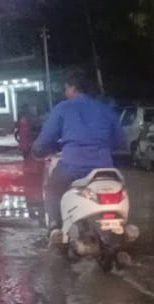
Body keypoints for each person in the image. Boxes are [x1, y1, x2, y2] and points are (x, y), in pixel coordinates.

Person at [32, 70, 126, 246]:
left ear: (73, 88)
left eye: (66, 88)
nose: (65, 92)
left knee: (52, 187)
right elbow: (121, 140)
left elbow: (46, 138)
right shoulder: (105, 109)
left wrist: (37, 149)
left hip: (73, 167)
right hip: (105, 169)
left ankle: (55, 227)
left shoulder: (64, 108)